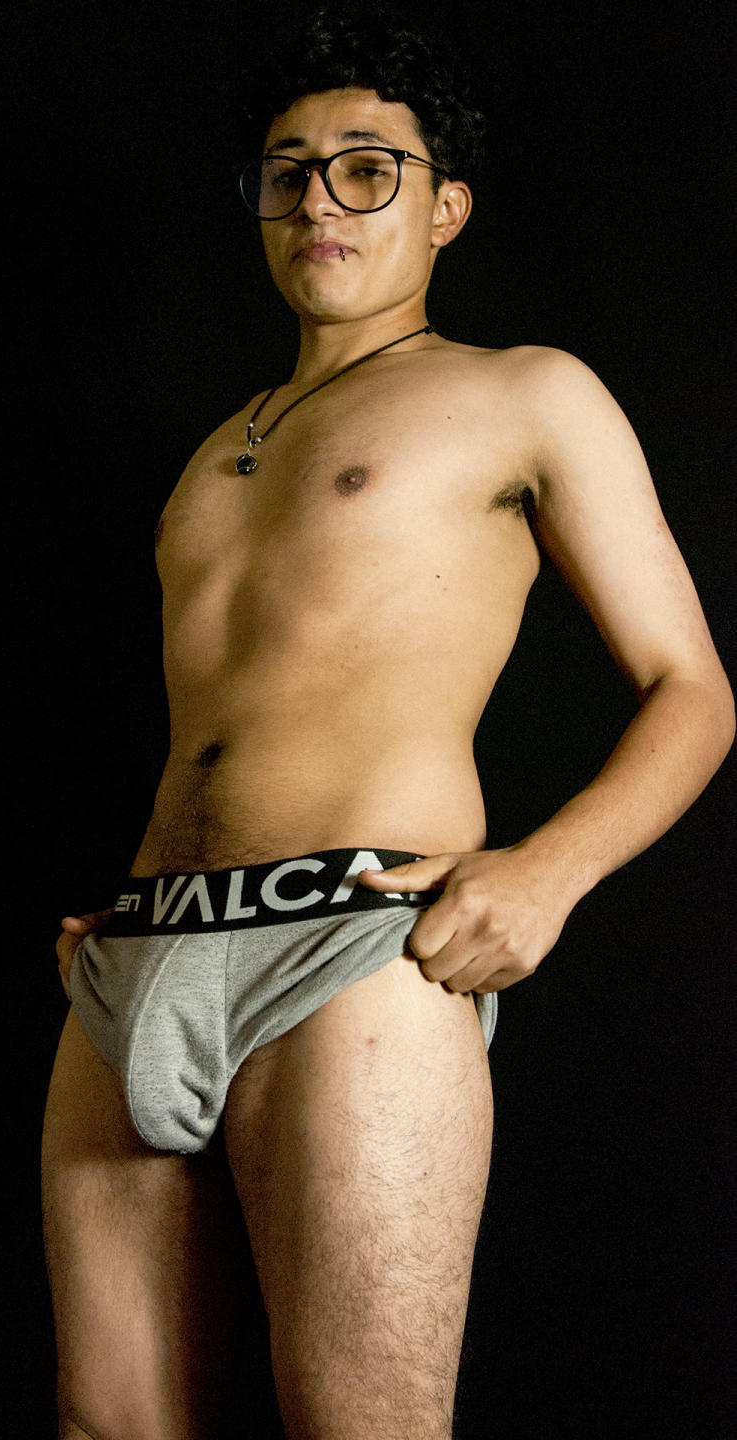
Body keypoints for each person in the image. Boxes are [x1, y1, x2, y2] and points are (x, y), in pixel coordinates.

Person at [41, 10, 734, 1439]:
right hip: (139, 956)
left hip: (353, 944)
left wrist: (545, 874)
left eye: (367, 169)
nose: (320, 201)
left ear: (445, 207)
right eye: (288, 172)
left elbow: (694, 687)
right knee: (105, 1424)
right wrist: (135, 904)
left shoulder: (522, 392)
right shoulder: (215, 448)